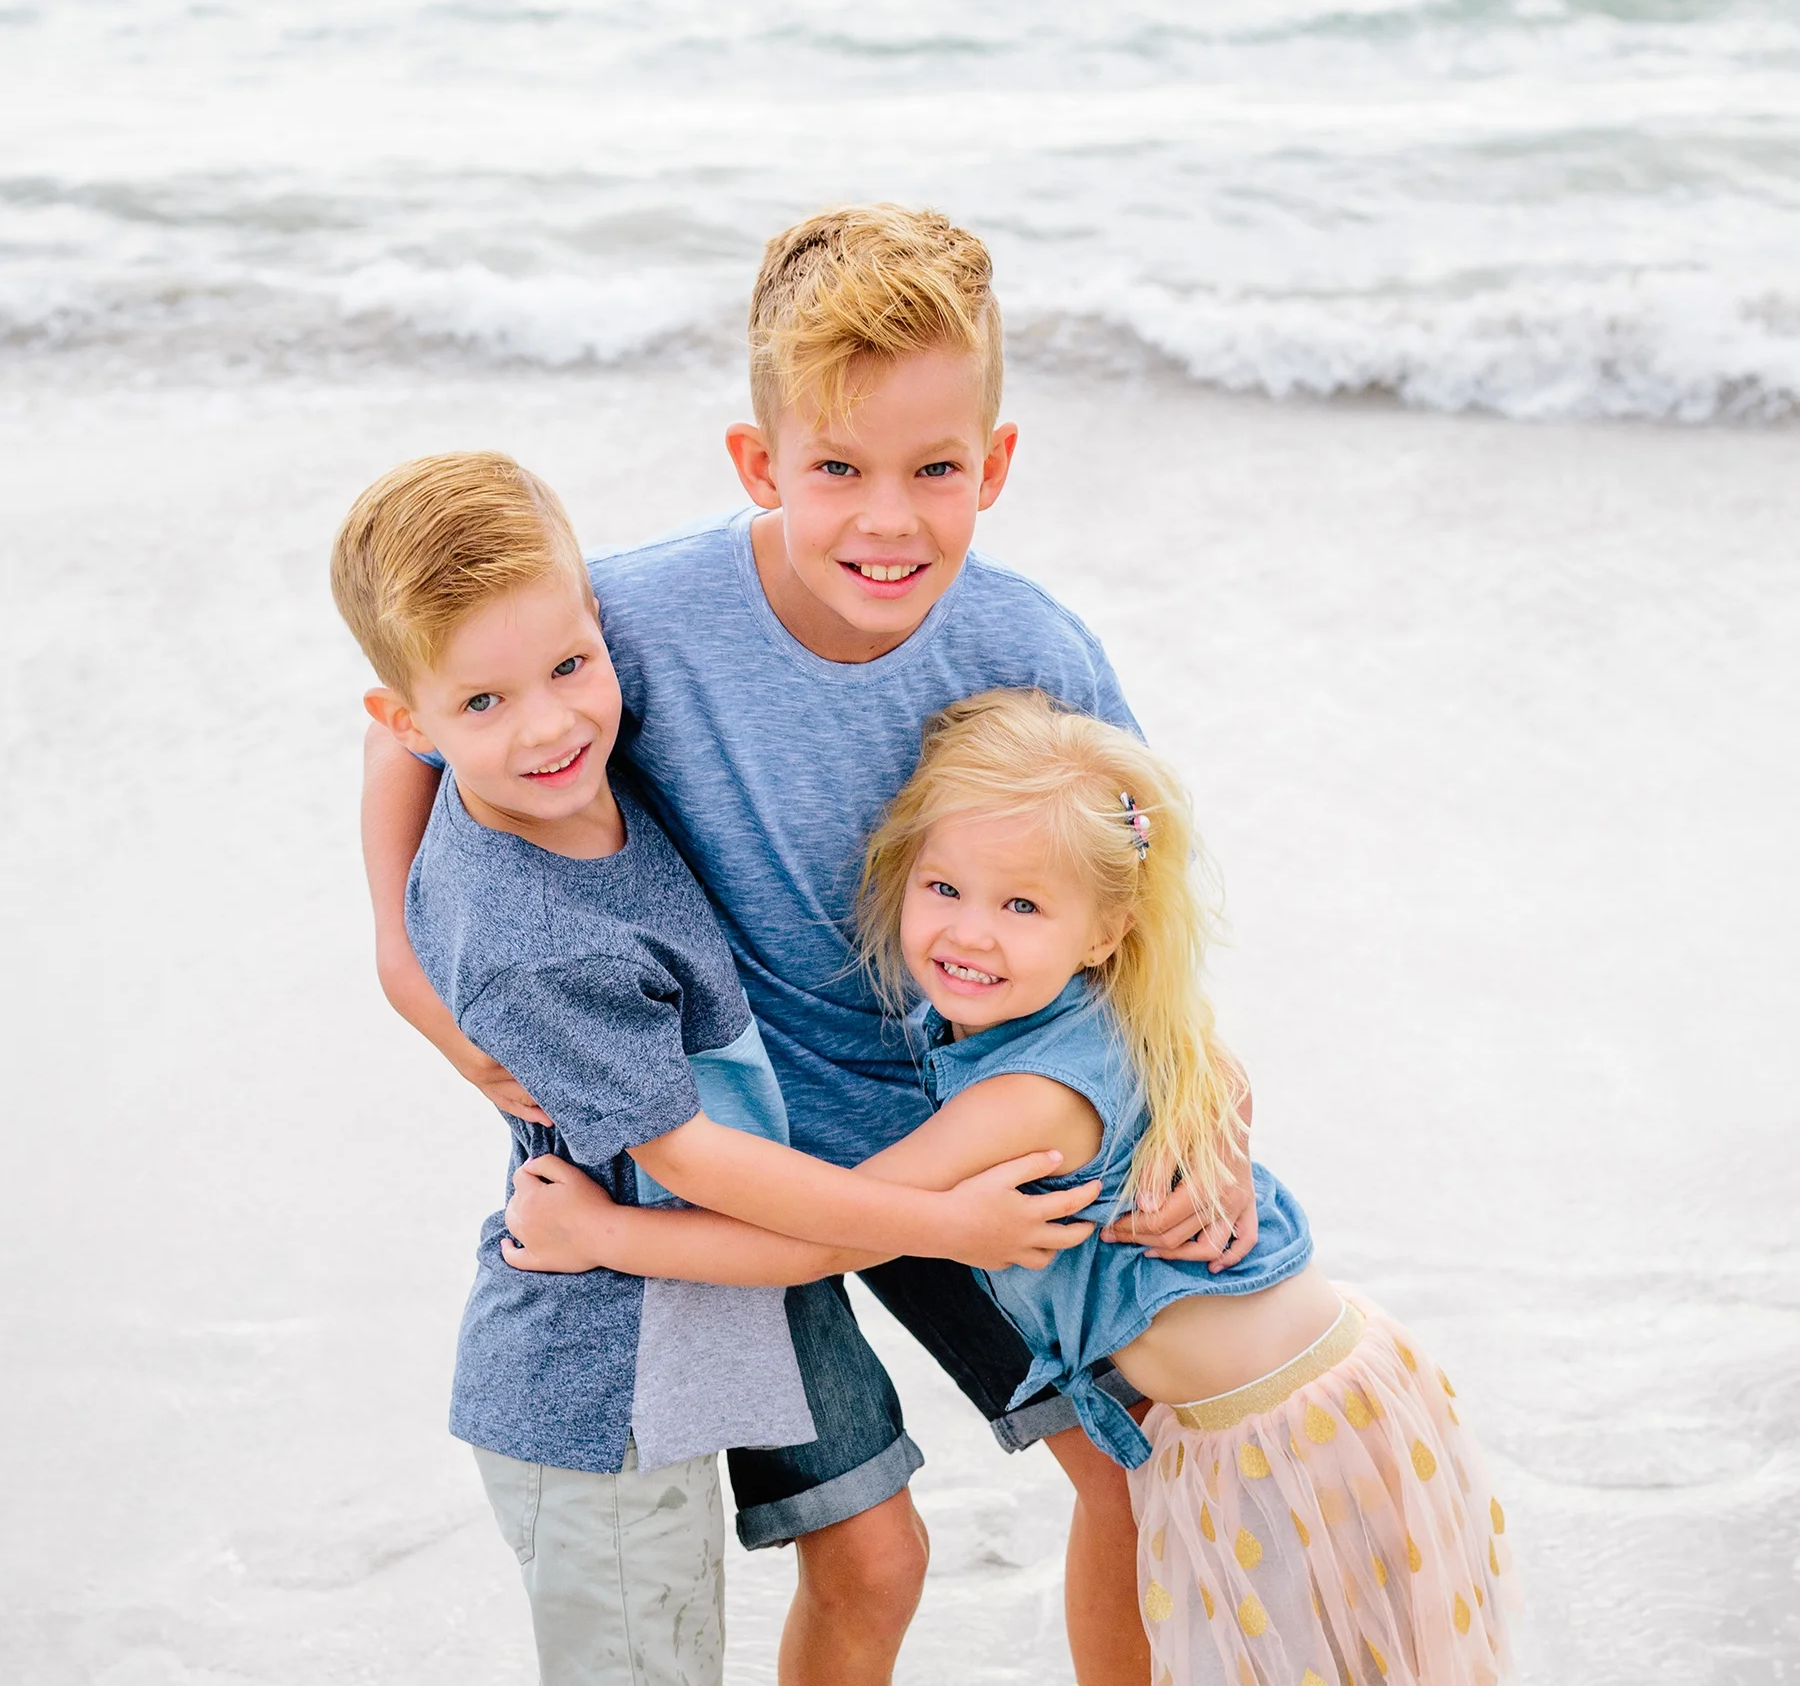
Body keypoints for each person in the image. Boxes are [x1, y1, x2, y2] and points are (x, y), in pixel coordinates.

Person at [361, 205, 1255, 1685]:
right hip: (752, 1161)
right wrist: (401, 960)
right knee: (869, 1549)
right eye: (836, 469)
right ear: (760, 464)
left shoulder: (1035, 654)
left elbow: (1135, 914)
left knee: (1140, 1467)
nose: (884, 520)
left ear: (998, 465)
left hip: (967, 1147)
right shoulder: (633, 623)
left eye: (934, 471)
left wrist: (1209, 1108)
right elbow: (417, 720)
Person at [506, 689, 1518, 1686]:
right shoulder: (1101, 1014)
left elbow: (821, 1241)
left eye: (1022, 905)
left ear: (1104, 932)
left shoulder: (1028, 1093)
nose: (971, 933)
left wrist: (600, 1234)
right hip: (1311, 1398)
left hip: (1282, 1432)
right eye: (943, 888)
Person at [330, 455, 1101, 1686]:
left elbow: (415, 725)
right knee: (667, 1640)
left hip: (754, 1242)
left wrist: (389, 951)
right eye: (486, 705)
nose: (546, 723)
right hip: (625, 1326)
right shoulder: (534, 932)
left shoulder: (572, 725)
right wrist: (943, 1221)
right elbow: (689, 1161)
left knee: (802, 1583)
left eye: (572, 670)